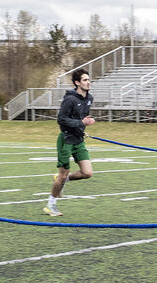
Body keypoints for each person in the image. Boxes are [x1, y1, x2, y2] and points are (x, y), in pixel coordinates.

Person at [45, 69, 96, 217]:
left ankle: (63, 179)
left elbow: (82, 117)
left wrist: (84, 125)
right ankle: (50, 205)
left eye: (88, 79)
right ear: (77, 83)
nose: (88, 82)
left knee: (87, 173)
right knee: (62, 174)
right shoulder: (70, 99)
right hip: (66, 140)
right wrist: (81, 122)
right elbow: (61, 119)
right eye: (85, 80)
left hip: (78, 140)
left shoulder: (89, 98)